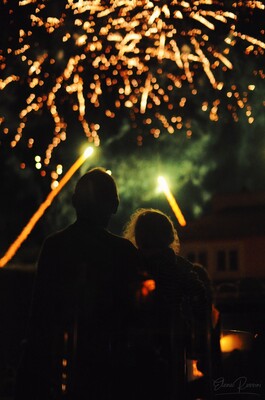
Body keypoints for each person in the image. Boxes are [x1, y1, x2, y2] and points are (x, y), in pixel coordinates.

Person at [14, 167, 142, 400]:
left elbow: (39, 313)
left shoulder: (54, 246)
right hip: (111, 365)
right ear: (114, 205)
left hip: (59, 363)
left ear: (74, 202)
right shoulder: (123, 252)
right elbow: (134, 315)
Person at [123, 208, 208, 399]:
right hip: (173, 338)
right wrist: (198, 334)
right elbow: (200, 296)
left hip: (134, 341)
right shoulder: (179, 266)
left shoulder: (129, 265)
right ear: (169, 234)